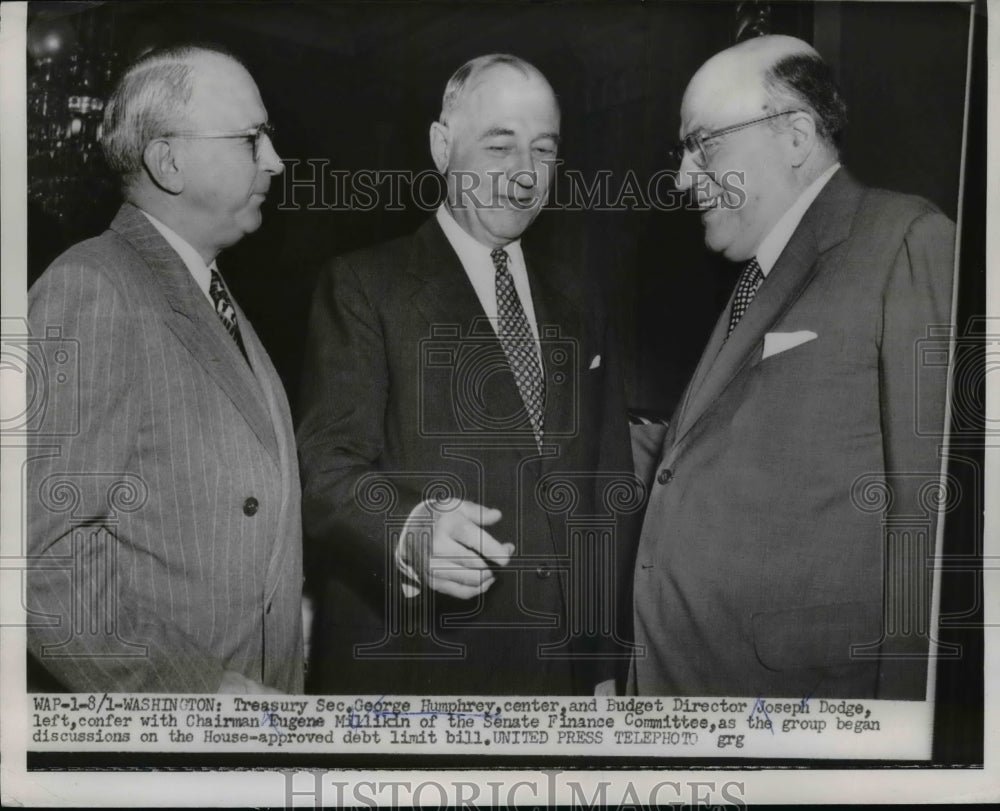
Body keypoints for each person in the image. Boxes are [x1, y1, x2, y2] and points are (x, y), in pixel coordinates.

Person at [297, 54, 634, 695]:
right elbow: (325, 467)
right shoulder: (364, 286)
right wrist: (408, 529)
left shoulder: (581, 298)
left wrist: (601, 663)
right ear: (442, 146)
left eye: (544, 150)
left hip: (560, 677)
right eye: (500, 146)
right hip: (421, 667)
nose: (525, 176)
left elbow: (606, 487)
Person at [631, 35, 955, 699]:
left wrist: (902, 737)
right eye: (682, 150)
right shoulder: (757, 275)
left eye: (705, 144)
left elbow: (935, 521)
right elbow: (692, 458)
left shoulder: (905, 242)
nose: (683, 177)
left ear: (796, 135)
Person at [26, 45, 303, 693]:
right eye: (250, 138)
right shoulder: (93, 286)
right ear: (168, 160)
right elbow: (38, 558)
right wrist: (195, 691)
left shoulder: (210, 290)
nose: (276, 161)